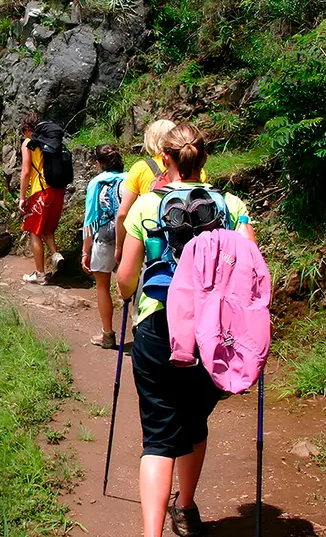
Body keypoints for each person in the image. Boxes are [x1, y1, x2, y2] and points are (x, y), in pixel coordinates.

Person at [117, 123, 255, 537]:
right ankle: (186, 506)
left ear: (165, 159)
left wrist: (129, 291)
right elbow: (251, 271)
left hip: (159, 326)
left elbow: (125, 278)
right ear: (205, 159)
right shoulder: (231, 205)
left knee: (159, 433)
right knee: (195, 422)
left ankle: (151, 533)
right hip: (214, 330)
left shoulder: (145, 205)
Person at [115, 119, 209, 265]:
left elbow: (122, 213)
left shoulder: (141, 168)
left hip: (153, 243)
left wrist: (120, 247)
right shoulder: (197, 170)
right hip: (196, 245)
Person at [83, 144, 126, 347]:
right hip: (129, 234)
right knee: (134, 284)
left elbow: (90, 220)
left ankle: (107, 335)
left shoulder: (96, 183)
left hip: (104, 234)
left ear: (98, 163)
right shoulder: (129, 179)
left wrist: (85, 252)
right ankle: (137, 329)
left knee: (102, 286)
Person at [18, 111, 67, 283]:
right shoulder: (53, 141)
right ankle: (56, 255)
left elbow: (25, 171)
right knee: (46, 229)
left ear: (27, 129)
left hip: (41, 191)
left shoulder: (29, 142)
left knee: (33, 232)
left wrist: (22, 197)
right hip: (58, 190)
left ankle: (39, 274)